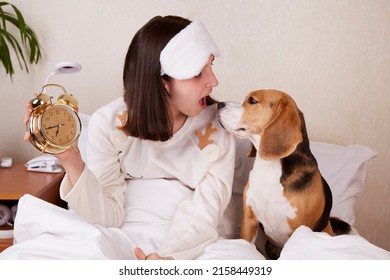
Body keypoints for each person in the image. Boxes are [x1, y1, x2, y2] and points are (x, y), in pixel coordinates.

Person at [1, 15, 263, 260]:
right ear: (163, 82)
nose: (213, 81)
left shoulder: (219, 126)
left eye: (211, 67)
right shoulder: (109, 124)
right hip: (125, 231)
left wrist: (170, 257)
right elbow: (106, 218)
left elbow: (207, 209)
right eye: (198, 73)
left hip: (192, 240)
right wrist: (71, 160)